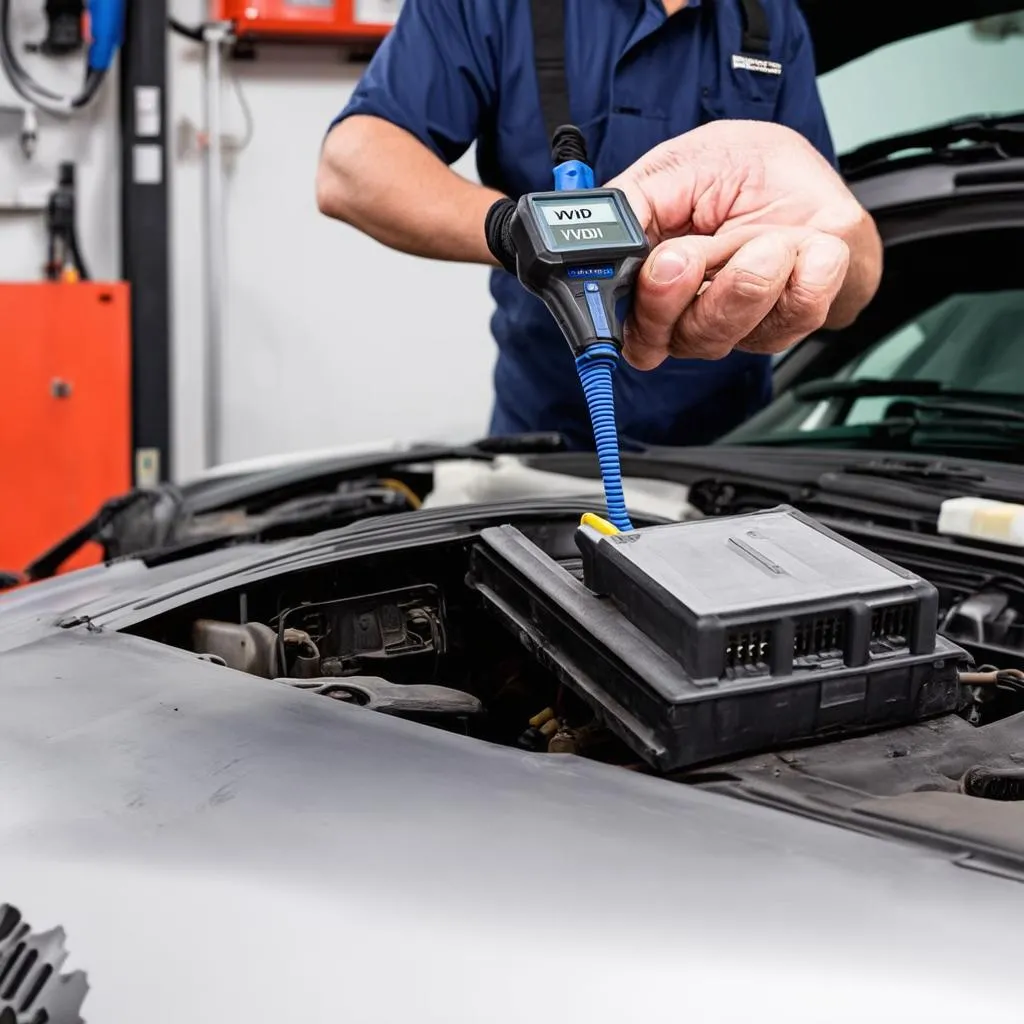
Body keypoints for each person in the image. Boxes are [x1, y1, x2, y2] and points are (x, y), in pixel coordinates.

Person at [316, 0, 882, 449]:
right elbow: (351, 163)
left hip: (729, 453)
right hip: (545, 442)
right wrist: (517, 232)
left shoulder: (769, 17)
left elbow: (842, 261)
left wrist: (835, 255)